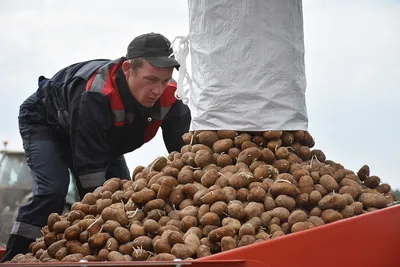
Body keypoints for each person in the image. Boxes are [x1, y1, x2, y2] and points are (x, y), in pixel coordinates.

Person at [1, 32, 191, 262]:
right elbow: (90, 176)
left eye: (164, 80)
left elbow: (183, 157)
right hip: (47, 123)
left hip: (103, 138)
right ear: (128, 69)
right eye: (150, 80)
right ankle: (13, 259)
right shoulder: (96, 94)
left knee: (126, 199)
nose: (157, 90)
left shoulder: (172, 95)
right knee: (54, 191)